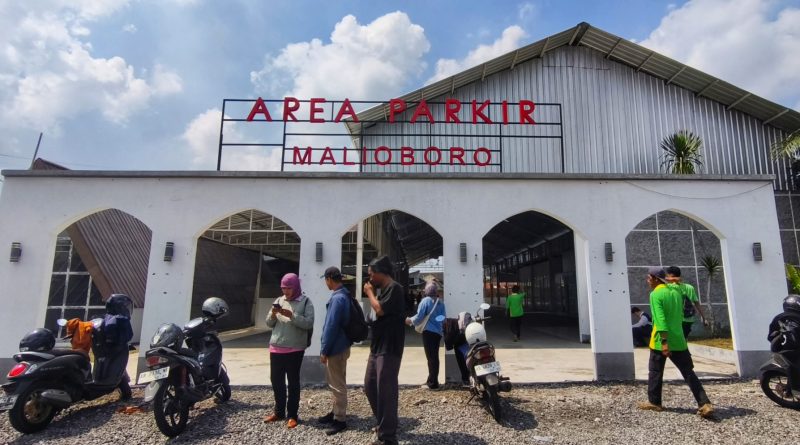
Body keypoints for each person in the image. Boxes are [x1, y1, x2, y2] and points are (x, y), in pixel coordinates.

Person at [638, 267, 714, 418]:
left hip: (661, 342)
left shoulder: (656, 294)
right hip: (679, 340)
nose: (647, 281)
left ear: (654, 279)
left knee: (655, 372)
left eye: (648, 278)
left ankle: (655, 402)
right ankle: (704, 403)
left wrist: (664, 343)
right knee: (688, 372)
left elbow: (660, 321)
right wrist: (672, 280)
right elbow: (677, 284)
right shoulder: (676, 292)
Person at [363, 255, 405, 445]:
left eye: (371, 274)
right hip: (377, 346)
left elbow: (379, 310)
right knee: (370, 385)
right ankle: (384, 422)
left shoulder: (395, 288)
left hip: (390, 346)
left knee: (385, 388)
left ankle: (387, 436)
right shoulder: (383, 291)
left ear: (381, 273)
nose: (369, 278)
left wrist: (370, 293)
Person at [264, 273, 315, 429]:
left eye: (289, 288)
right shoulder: (279, 301)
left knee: (293, 382)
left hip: (294, 349)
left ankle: (292, 415)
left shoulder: (305, 302)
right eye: (283, 288)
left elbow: (308, 323)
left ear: (296, 287)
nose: (285, 291)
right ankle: (279, 412)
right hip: (276, 347)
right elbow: (268, 323)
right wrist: (273, 314)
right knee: (276, 380)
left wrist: (292, 316)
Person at [317, 266, 352, 436]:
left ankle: (340, 419)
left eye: (325, 279)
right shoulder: (345, 295)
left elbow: (331, 326)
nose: (326, 283)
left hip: (335, 348)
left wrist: (324, 350)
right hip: (342, 346)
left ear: (330, 278)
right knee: (337, 382)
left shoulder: (338, 298)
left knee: (337, 385)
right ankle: (335, 411)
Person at [406, 280, 446, 389]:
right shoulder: (440, 302)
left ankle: (433, 384)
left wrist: (409, 320)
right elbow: (443, 318)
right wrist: (435, 320)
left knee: (430, 358)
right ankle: (432, 380)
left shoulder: (425, 301)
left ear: (426, 291)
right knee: (435, 357)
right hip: (438, 333)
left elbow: (419, 318)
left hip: (428, 332)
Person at [665, 266, 706, 339]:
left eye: (668, 276)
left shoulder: (669, 287)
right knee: (683, 340)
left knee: (676, 343)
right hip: (688, 319)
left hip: (676, 320)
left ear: (671, 276)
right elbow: (697, 303)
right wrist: (704, 317)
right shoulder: (689, 287)